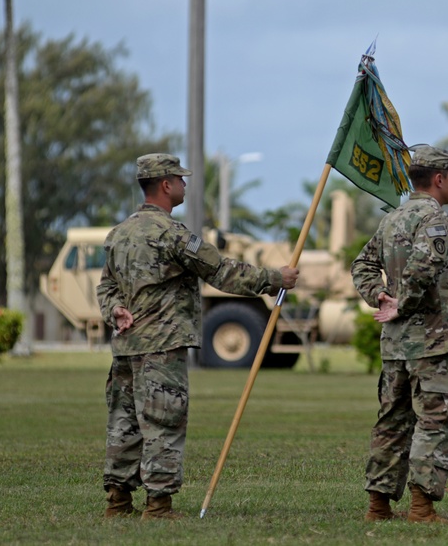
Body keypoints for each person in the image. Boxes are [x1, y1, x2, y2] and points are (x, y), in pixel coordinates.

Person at [97, 153, 299, 519]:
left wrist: (114, 310)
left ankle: (118, 502)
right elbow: (220, 271)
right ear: (165, 185)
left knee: (124, 423)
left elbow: (106, 287)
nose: (186, 185)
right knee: (163, 421)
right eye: (181, 179)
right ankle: (158, 507)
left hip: (125, 347)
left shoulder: (118, 234)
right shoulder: (172, 235)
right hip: (162, 346)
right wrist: (274, 279)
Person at [351, 145, 448, 524]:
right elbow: (424, 265)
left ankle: (378, 508)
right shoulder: (436, 219)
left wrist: (377, 294)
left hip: (395, 345)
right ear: (439, 178)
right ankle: (421, 508)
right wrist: (404, 302)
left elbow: (362, 264)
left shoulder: (392, 219)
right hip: (429, 342)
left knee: (392, 422)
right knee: (434, 419)